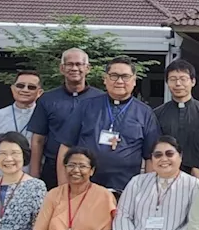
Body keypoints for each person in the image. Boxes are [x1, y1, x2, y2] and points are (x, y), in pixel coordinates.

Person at [57, 57, 160, 195]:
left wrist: (147, 193)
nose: (119, 81)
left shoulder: (145, 113)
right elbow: (65, 147)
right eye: (114, 76)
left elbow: (150, 157)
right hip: (83, 188)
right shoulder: (86, 106)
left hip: (126, 190)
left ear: (134, 81)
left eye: (125, 77)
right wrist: (63, 188)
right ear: (105, 79)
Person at [29, 48, 104, 189]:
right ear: (62, 68)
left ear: (87, 68)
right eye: (69, 64)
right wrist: (34, 174)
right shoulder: (47, 99)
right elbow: (38, 139)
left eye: (79, 64)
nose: (74, 68)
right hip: (53, 168)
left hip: (90, 169)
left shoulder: (100, 99)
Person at [0, 71, 43, 180]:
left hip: (31, 180)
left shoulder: (45, 118)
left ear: (40, 92)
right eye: (20, 86)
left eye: (31, 87)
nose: (25, 90)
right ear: (12, 89)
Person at [152, 60, 199, 155]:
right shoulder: (156, 114)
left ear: (193, 81)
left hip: (197, 169)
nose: (178, 84)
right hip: (166, 166)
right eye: (173, 79)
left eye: (183, 79)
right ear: (167, 82)